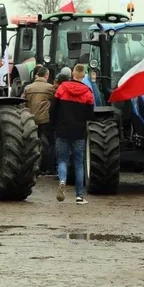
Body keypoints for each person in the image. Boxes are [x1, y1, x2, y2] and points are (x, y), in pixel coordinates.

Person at [49, 63, 95, 204]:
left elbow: (53, 109)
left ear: (73, 73)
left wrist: (54, 125)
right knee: (78, 163)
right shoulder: (88, 92)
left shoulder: (62, 88)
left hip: (62, 130)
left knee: (62, 160)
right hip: (78, 132)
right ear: (83, 75)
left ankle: (62, 181)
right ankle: (79, 196)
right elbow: (90, 115)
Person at [22, 66, 55, 174]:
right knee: (49, 144)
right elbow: (55, 103)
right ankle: (48, 168)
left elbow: (23, 103)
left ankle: (33, 167)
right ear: (46, 75)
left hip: (31, 120)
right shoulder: (50, 88)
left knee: (32, 144)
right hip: (45, 120)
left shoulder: (28, 88)